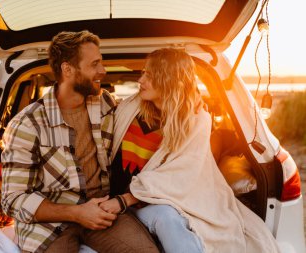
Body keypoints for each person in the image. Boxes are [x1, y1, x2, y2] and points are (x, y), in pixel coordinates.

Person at [99, 48, 280, 253]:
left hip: (155, 203)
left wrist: (124, 200)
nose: (140, 80)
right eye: (142, 73)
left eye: (149, 75)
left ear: (168, 79)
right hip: (120, 204)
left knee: (166, 217)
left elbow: (181, 174)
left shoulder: (195, 120)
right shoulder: (129, 108)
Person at [1, 30, 159, 253]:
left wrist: (190, 108)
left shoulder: (105, 103)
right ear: (67, 69)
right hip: (50, 222)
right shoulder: (27, 124)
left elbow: (149, 104)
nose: (103, 71)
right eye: (95, 64)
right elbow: (13, 199)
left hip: (102, 209)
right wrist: (76, 213)